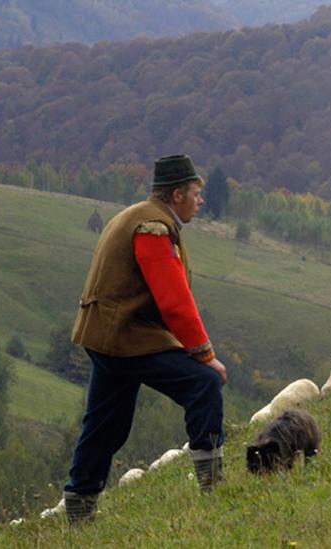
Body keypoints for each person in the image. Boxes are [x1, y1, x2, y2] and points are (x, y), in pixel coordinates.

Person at [62, 154, 228, 524]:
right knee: (204, 384)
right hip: (126, 338)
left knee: (106, 423)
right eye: (195, 193)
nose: (200, 200)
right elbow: (174, 301)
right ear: (175, 195)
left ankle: (79, 510)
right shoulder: (153, 228)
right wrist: (205, 355)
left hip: (107, 335)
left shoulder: (136, 215)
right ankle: (214, 488)